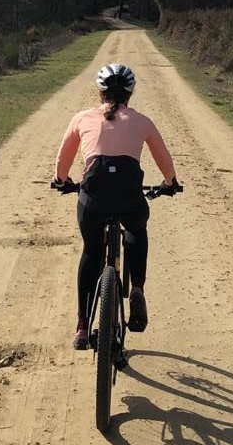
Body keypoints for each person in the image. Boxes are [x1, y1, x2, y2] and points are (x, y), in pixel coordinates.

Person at [54, 63, 180, 350]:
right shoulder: (143, 121)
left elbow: (63, 159)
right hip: (128, 196)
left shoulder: (81, 118)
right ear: (130, 93)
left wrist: (62, 181)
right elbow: (163, 158)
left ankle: (83, 326)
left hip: (93, 199)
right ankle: (136, 288)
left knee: (91, 250)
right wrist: (170, 183)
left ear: (100, 92)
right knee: (136, 228)